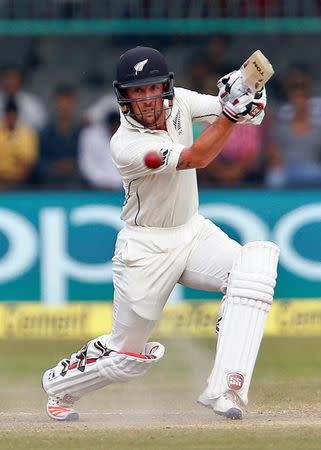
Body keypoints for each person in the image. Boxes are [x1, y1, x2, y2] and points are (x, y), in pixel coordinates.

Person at [42, 47, 279, 421]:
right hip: (146, 248)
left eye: (153, 88)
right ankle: (59, 385)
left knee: (255, 267)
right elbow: (196, 157)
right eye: (137, 92)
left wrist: (248, 92)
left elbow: (248, 115)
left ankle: (226, 388)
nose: (147, 99)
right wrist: (232, 114)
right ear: (124, 96)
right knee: (126, 358)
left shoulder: (180, 99)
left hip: (193, 230)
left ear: (166, 86)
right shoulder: (127, 145)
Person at [37, 84, 82, 188]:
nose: (64, 105)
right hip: (50, 185)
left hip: (77, 186)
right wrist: (55, 166)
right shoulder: (46, 132)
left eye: (68, 101)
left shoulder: (81, 132)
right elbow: (39, 162)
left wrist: (72, 165)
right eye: (61, 101)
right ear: (55, 103)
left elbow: (89, 161)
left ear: (73, 103)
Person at [78, 110, 123, 190]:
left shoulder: (131, 137)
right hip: (95, 188)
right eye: (112, 126)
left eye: (117, 126)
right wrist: (103, 182)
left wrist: (118, 183)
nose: (114, 129)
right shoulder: (90, 136)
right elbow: (87, 165)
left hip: (124, 189)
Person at [0, 97, 38, 189]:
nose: (11, 117)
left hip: (21, 182)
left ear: (17, 115)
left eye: (13, 114)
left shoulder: (27, 133)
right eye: (8, 114)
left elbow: (29, 164)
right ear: (5, 115)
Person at [0, 65, 47, 131]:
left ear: (20, 80)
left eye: (14, 77)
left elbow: (41, 125)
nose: (11, 81)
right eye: (8, 77)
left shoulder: (33, 104)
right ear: (2, 80)